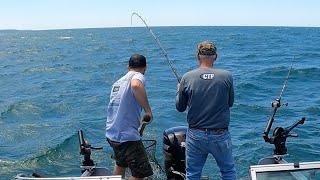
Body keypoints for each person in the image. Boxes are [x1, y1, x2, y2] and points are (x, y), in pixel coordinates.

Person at [176, 41, 236, 180]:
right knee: (228, 172)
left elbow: (180, 107)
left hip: (196, 135)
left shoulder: (187, 77)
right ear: (215, 56)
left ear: (198, 56)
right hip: (220, 134)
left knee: (193, 174)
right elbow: (230, 103)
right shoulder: (227, 76)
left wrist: (178, 89)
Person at [105, 54, 153, 180]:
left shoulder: (117, 83)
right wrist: (148, 111)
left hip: (112, 135)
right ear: (145, 68)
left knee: (121, 164)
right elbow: (136, 85)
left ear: (128, 67)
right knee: (140, 173)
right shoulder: (138, 76)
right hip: (127, 137)